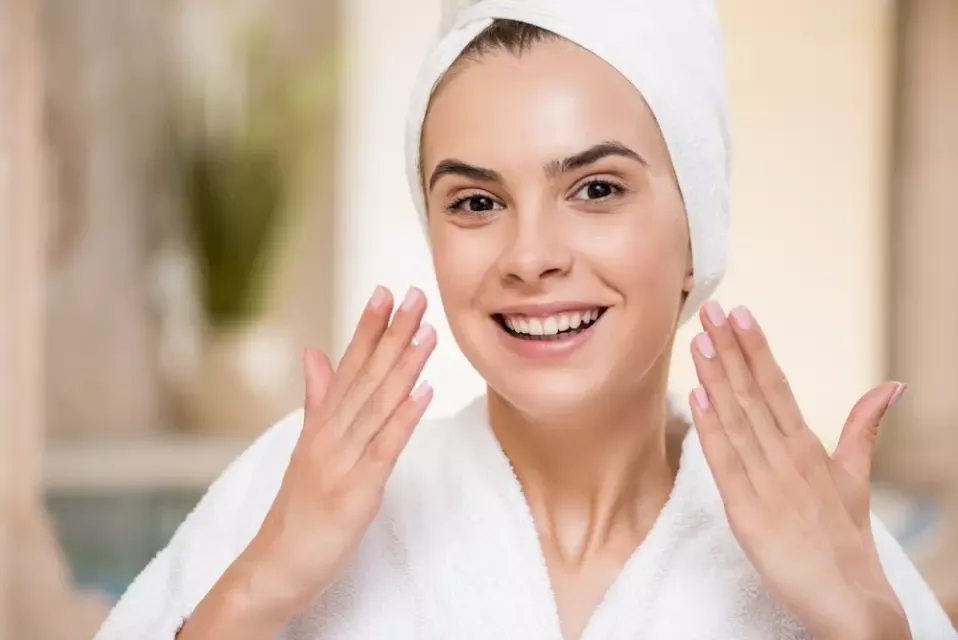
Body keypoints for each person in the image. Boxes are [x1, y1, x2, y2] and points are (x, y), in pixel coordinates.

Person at [95, 1, 956, 639]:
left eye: (596, 189)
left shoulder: (823, 541)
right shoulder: (290, 494)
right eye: (476, 201)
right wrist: (259, 589)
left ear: (698, 230)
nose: (530, 255)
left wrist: (866, 630)